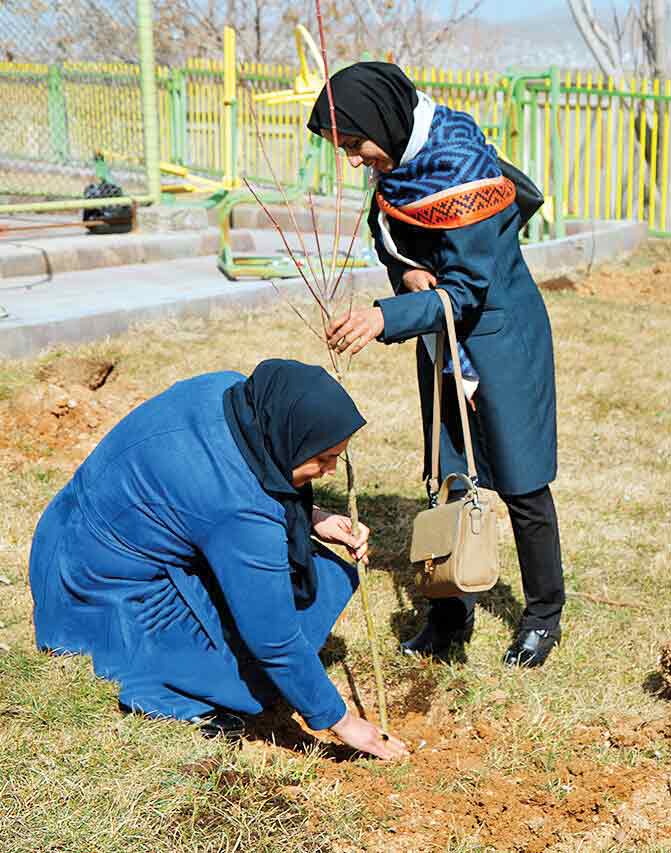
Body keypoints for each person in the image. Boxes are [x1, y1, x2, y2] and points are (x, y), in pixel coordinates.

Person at [308, 63, 565, 668]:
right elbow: (390, 236)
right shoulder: (400, 167)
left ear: (386, 121)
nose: (353, 160)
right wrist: (406, 275)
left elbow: (471, 288)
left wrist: (384, 315)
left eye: (354, 144)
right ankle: (449, 613)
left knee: (522, 483)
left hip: (500, 340)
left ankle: (542, 615)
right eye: (342, 149)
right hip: (443, 340)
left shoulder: (460, 167)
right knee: (449, 478)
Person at [29, 359, 407, 760]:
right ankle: (167, 689)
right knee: (249, 667)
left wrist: (312, 518)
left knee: (297, 574)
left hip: (64, 532)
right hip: (99, 593)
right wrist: (341, 720)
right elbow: (274, 638)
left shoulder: (231, 391)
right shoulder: (236, 507)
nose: (329, 471)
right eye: (323, 458)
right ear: (287, 437)